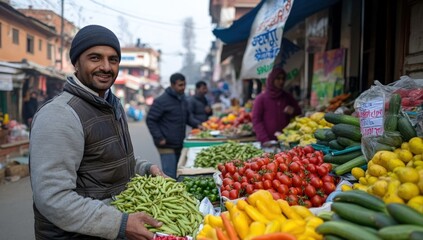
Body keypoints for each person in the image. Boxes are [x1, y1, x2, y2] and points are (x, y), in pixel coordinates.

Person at [29, 25, 166, 240]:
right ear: (76, 63)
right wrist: (120, 223)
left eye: (113, 59)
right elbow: (53, 198)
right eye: (95, 58)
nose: (106, 67)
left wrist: (146, 168)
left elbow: (109, 158)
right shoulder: (59, 115)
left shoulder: (111, 105)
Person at [146, 73, 202, 179]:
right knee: (170, 176)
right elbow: (151, 120)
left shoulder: (182, 99)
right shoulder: (161, 101)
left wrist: (198, 125)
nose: (183, 88)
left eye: (184, 85)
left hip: (179, 143)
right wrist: (159, 137)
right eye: (180, 85)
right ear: (172, 85)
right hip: (166, 145)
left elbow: (187, 117)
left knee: (179, 173)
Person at [252, 66, 302, 145]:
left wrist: (293, 111)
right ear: (272, 80)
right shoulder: (261, 99)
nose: (281, 81)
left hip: (286, 142)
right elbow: (256, 121)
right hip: (268, 143)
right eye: (278, 79)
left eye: (283, 79)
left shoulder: (287, 97)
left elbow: (299, 114)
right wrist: (265, 140)